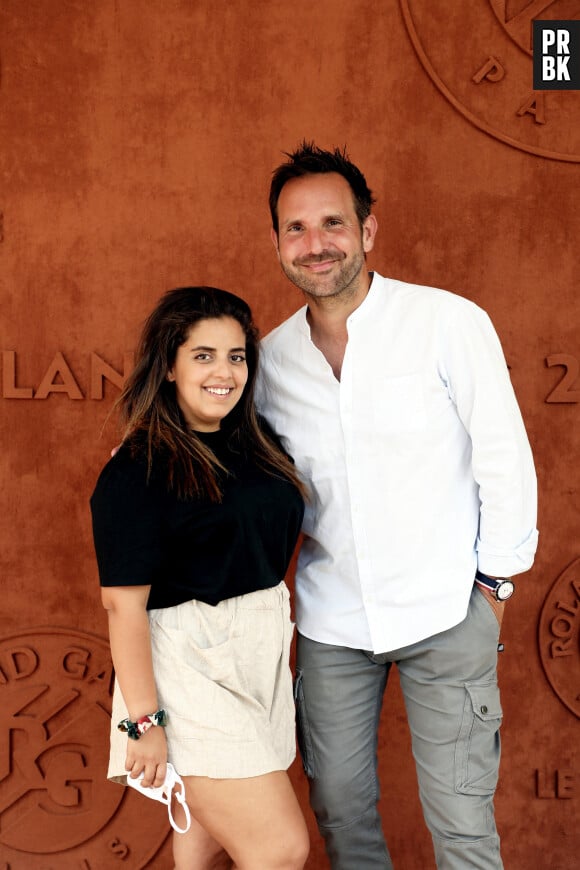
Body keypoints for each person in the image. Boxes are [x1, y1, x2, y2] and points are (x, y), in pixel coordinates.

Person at [256, 143, 538, 870]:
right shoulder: (268, 361)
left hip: (448, 611)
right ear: (278, 242)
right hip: (330, 624)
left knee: (463, 827)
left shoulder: (447, 322)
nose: (315, 244)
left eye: (332, 223)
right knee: (342, 818)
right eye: (296, 228)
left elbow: (503, 456)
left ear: (368, 231)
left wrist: (495, 588)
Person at [90, 286, 310, 870]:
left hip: (261, 652)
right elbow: (124, 608)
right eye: (203, 355)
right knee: (279, 848)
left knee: (203, 847)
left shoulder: (258, 446)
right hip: (189, 665)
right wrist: (144, 721)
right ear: (169, 365)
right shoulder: (137, 469)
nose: (224, 372)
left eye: (236, 356)